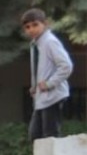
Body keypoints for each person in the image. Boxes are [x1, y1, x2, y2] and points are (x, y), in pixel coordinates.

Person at [22, 8, 74, 141]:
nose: (31, 29)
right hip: (41, 97)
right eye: (27, 27)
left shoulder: (50, 41)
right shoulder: (35, 44)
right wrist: (34, 86)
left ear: (44, 24)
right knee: (35, 135)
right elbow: (40, 68)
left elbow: (66, 66)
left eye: (35, 25)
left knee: (50, 135)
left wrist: (49, 83)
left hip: (53, 96)